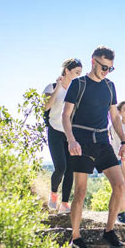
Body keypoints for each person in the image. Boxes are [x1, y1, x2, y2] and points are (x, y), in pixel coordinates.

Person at [62, 46, 125, 248]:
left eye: (110, 68)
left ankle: (109, 231)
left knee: (120, 184)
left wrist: (124, 142)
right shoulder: (78, 84)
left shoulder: (110, 87)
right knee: (80, 192)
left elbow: (114, 117)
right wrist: (71, 140)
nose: (106, 71)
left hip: (102, 141)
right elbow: (66, 115)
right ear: (93, 62)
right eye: (103, 66)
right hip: (80, 142)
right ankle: (76, 237)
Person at [43, 58, 82, 213]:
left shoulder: (75, 91)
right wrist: (58, 88)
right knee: (60, 167)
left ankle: (65, 203)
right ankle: (53, 194)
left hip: (70, 133)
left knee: (70, 170)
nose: (78, 76)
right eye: (76, 72)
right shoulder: (51, 87)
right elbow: (46, 106)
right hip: (54, 131)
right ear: (67, 70)